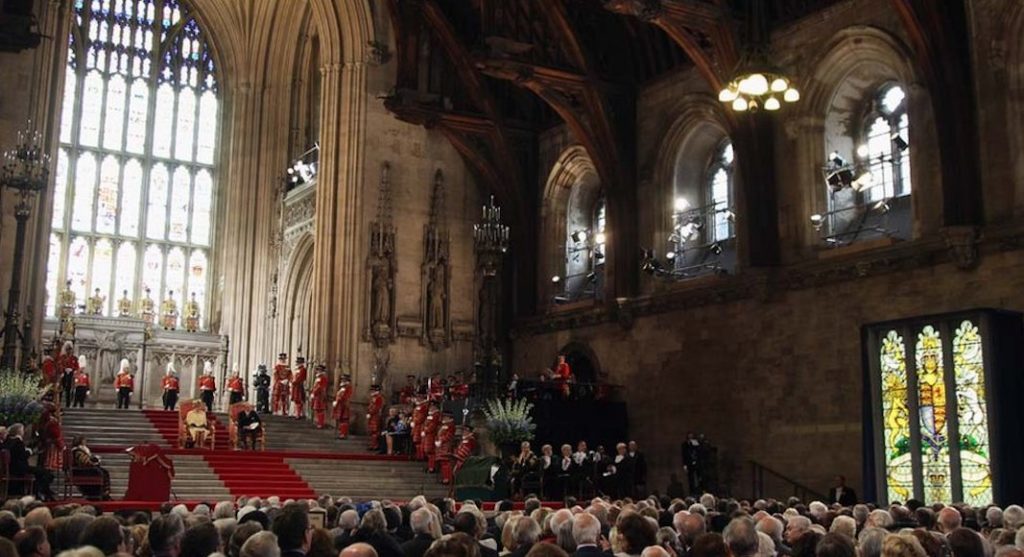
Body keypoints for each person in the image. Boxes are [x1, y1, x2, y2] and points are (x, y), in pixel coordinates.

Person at [70, 436, 111, 500]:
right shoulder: (77, 451)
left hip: (85, 470)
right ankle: (97, 494)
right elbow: (84, 461)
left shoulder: (82, 450)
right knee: (100, 472)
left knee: (103, 471)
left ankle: (103, 494)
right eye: (84, 440)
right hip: (81, 471)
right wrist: (94, 462)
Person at [57, 341, 79, 408]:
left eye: (70, 349)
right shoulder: (62, 357)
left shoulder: (74, 358)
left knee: (69, 390)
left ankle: (68, 404)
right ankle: (59, 403)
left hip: (71, 375)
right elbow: (60, 364)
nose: (69, 351)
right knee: (61, 388)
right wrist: (64, 369)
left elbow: (76, 366)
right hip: (63, 374)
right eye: (67, 349)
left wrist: (72, 369)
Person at [333, 374, 353, 439]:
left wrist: (338, 400)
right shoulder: (342, 387)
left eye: (343, 379)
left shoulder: (348, 387)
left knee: (344, 420)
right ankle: (341, 433)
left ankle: (343, 434)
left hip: (344, 405)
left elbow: (344, 396)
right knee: (341, 420)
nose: (342, 380)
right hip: (340, 405)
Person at [366, 385, 385, 451]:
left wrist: (370, 413)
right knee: (372, 431)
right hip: (372, 416)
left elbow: (377, 408)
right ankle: (372, 444)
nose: (371, 391)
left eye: (373, 390)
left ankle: (375, 445)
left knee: (375, 431)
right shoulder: (373, 397)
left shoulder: (379, 397)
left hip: (376, 416)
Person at [310, 365, 329, 429]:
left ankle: (321, 423)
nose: (317, 371)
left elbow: (320, 387)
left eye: (319, 370)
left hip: (320, 395)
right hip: (317, 395)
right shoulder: (318, 377)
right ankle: (318, 422)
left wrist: (314, 393)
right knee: (317, 409)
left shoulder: (323, 377)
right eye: (317, 370)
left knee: (320, 409)